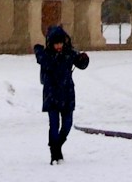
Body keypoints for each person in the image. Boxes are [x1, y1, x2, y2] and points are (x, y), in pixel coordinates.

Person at [33, 24, 90, 165]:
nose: (58, 46)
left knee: (67, 124)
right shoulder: (47, 56)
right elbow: (39, 55)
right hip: (52, 94)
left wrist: (84, 59)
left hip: (67, 94)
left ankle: (57, 145)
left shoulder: (69, 53)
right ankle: (54, 153)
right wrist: (39, 49)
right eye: (56, 44)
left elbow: (81, 64)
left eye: (60, 43)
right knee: (53, 124)